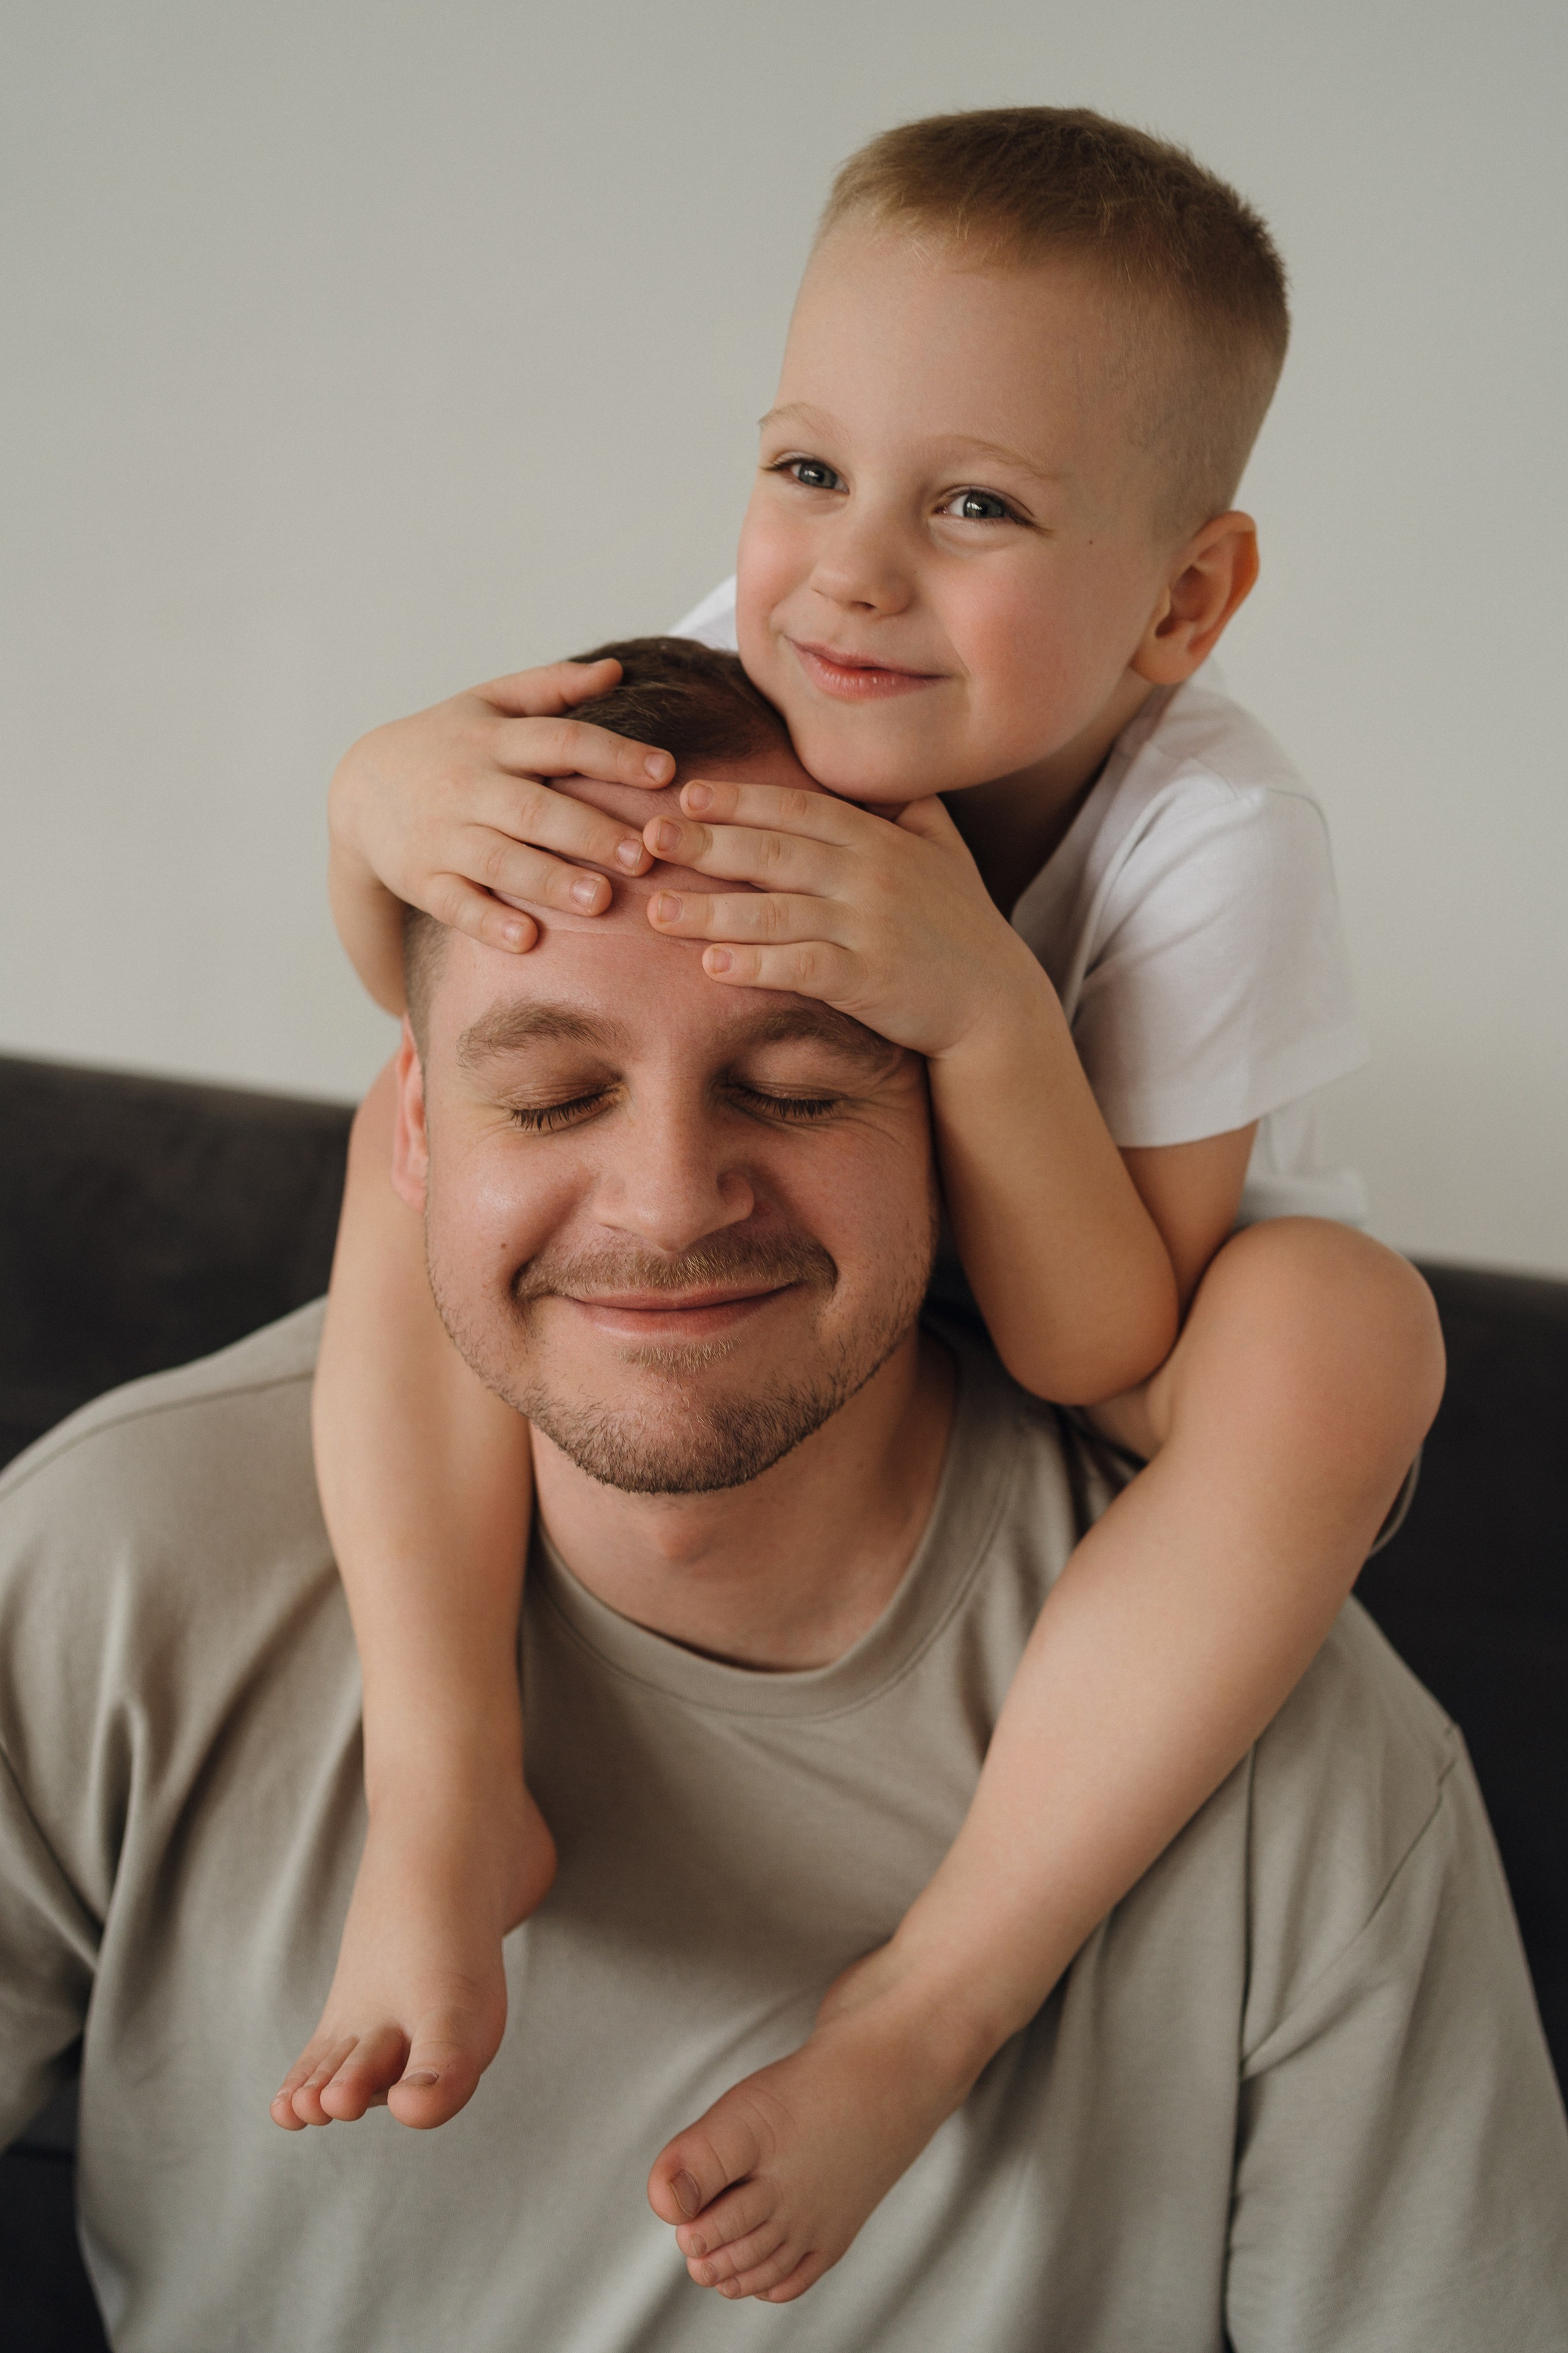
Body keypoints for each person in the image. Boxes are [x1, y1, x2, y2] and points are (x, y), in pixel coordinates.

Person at [281, 111, 1449, 2298]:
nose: (847, 572)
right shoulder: (767, 666)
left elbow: (1102, 1351)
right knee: (397, 1114)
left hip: (1099, 1315)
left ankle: (921, 2018)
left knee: (1347, 1325)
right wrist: (377, 806)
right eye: (808, 467)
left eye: (977, 504)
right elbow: (471, 1011)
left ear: (1183, 596)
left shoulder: (1217, 843)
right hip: (789, 1240)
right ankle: (444, 1788)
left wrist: (987, 1015)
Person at [1, 739, 1564, 2351]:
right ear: (415, 1137)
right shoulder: (109, 1566)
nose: (670, 1199)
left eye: (799, 1089)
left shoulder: (1298, 1761)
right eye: (553, 1093)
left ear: (957, 1136)